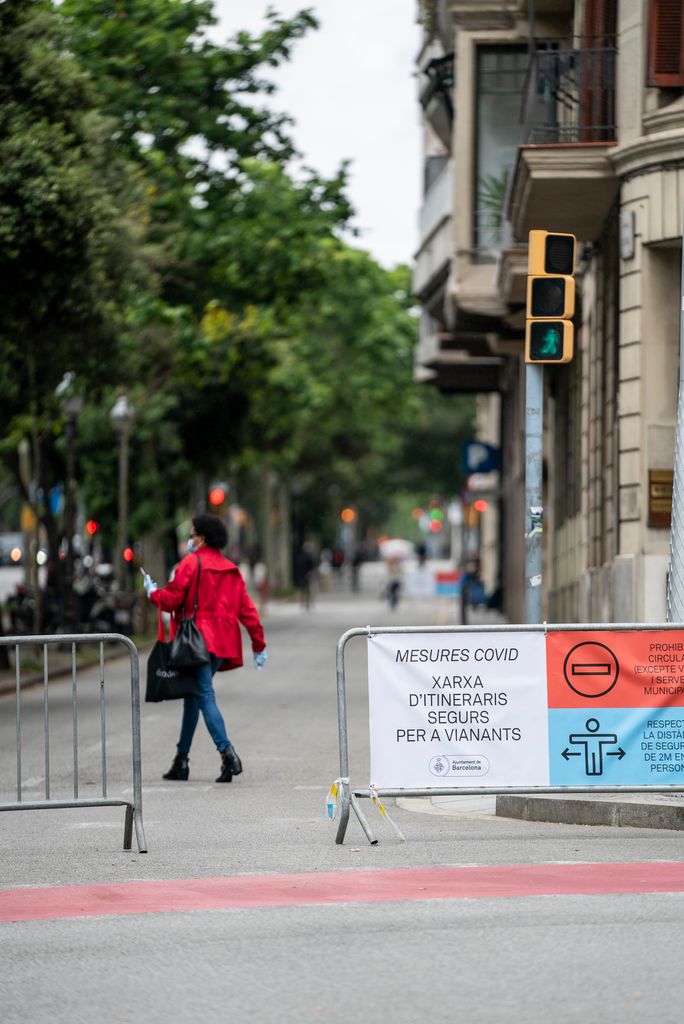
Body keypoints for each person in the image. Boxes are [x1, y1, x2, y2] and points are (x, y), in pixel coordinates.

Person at [142, 513, 267, 784]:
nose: (190, 538)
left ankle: (228, 753)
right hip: (220, 643)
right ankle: (181, 761)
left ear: (201, 537)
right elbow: (247, 611)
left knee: (204, 696)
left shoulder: (191, 563)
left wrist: (153, 593)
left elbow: (173, 599)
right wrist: (258, 645)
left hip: (194, 641)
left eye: (192, 533)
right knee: (194, 696)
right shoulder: (230, 569)